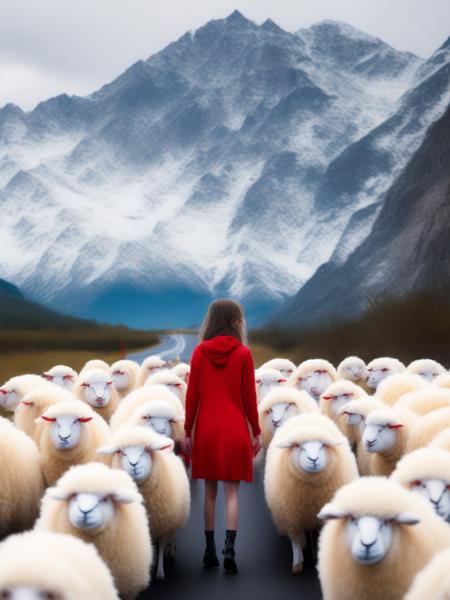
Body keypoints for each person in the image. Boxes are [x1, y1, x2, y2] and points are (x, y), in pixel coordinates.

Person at [180, 299, 262, 574]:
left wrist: (187, 429)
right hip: (235, 430)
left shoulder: (200, 352)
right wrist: (257, 431)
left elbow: (192, 396)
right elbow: (250, 397)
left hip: (208, 430)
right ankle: (230, 550)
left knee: (210, 493)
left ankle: (209, 551)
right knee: (232, 494)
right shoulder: (243, 353)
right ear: (236, 322)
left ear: (211, 320)